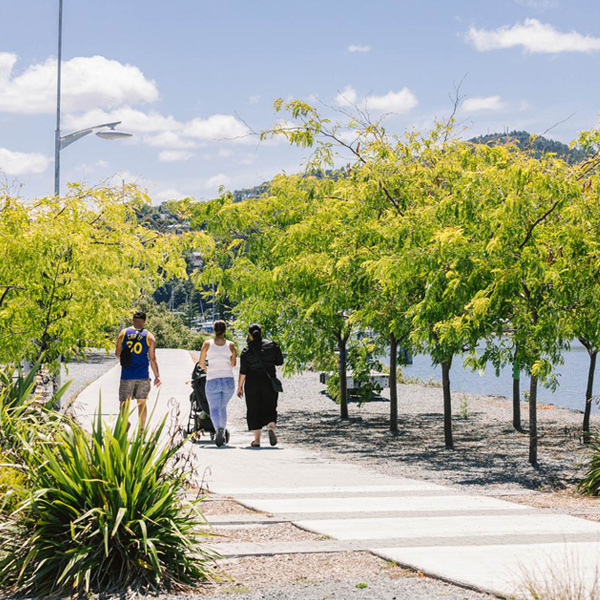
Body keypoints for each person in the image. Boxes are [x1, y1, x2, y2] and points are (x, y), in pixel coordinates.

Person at [237, 323, 284, 447]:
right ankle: (271, 427)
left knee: (253, 409)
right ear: (261, 332)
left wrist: (239, 387)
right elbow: (280, 362)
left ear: (250, 335)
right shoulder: (272, 345)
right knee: (270, 406)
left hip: (252, 383)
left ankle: (257, 440)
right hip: (269, 382)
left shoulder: (246, 350)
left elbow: (243, 371)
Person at [115, 310, 160, 430]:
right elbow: (152, 358)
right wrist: (157, 376)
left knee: (124, 403)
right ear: (144, 322)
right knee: (142, 403)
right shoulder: (149, 337)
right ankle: (141, 429)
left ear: (132, 320)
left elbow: (117, 353)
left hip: (126, 375)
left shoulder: (123, 334)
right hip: (142, 375)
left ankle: (125, 423)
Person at [198, 320, 237, 447]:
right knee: (222, 407)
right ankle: (222, 430)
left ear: (214, 330)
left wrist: (206, 369)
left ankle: (219, 429)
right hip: (228, 380)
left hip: (213, 379)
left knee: (214, 408)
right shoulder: (231, 345)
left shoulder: (207, 344)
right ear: (225, 330)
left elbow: (201, 362)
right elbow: (233, 364)